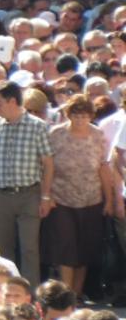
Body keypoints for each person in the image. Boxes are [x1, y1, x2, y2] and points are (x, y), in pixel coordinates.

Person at [0, 82, 54, 286]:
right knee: (3, 248)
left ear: (12, 101)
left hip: (29, 194)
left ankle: (31, 297)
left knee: (29, 248)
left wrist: (45, 196)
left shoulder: (38, 126)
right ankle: (5, 292)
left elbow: (48, 163)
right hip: (0, 195)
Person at [41, 95, 112, 300]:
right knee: (66, 248)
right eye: (75, 115)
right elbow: (47, 166)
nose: (79, 119)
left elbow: (103, 168)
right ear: (68, 115)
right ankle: (66, 294)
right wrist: (46, 195)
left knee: (85, 250)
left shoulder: (98, 135)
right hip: (62, 197)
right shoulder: (56, 134)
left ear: (90, 115)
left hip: (91, 198)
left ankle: (77, 293)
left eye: (84, 115)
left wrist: (108, 199)